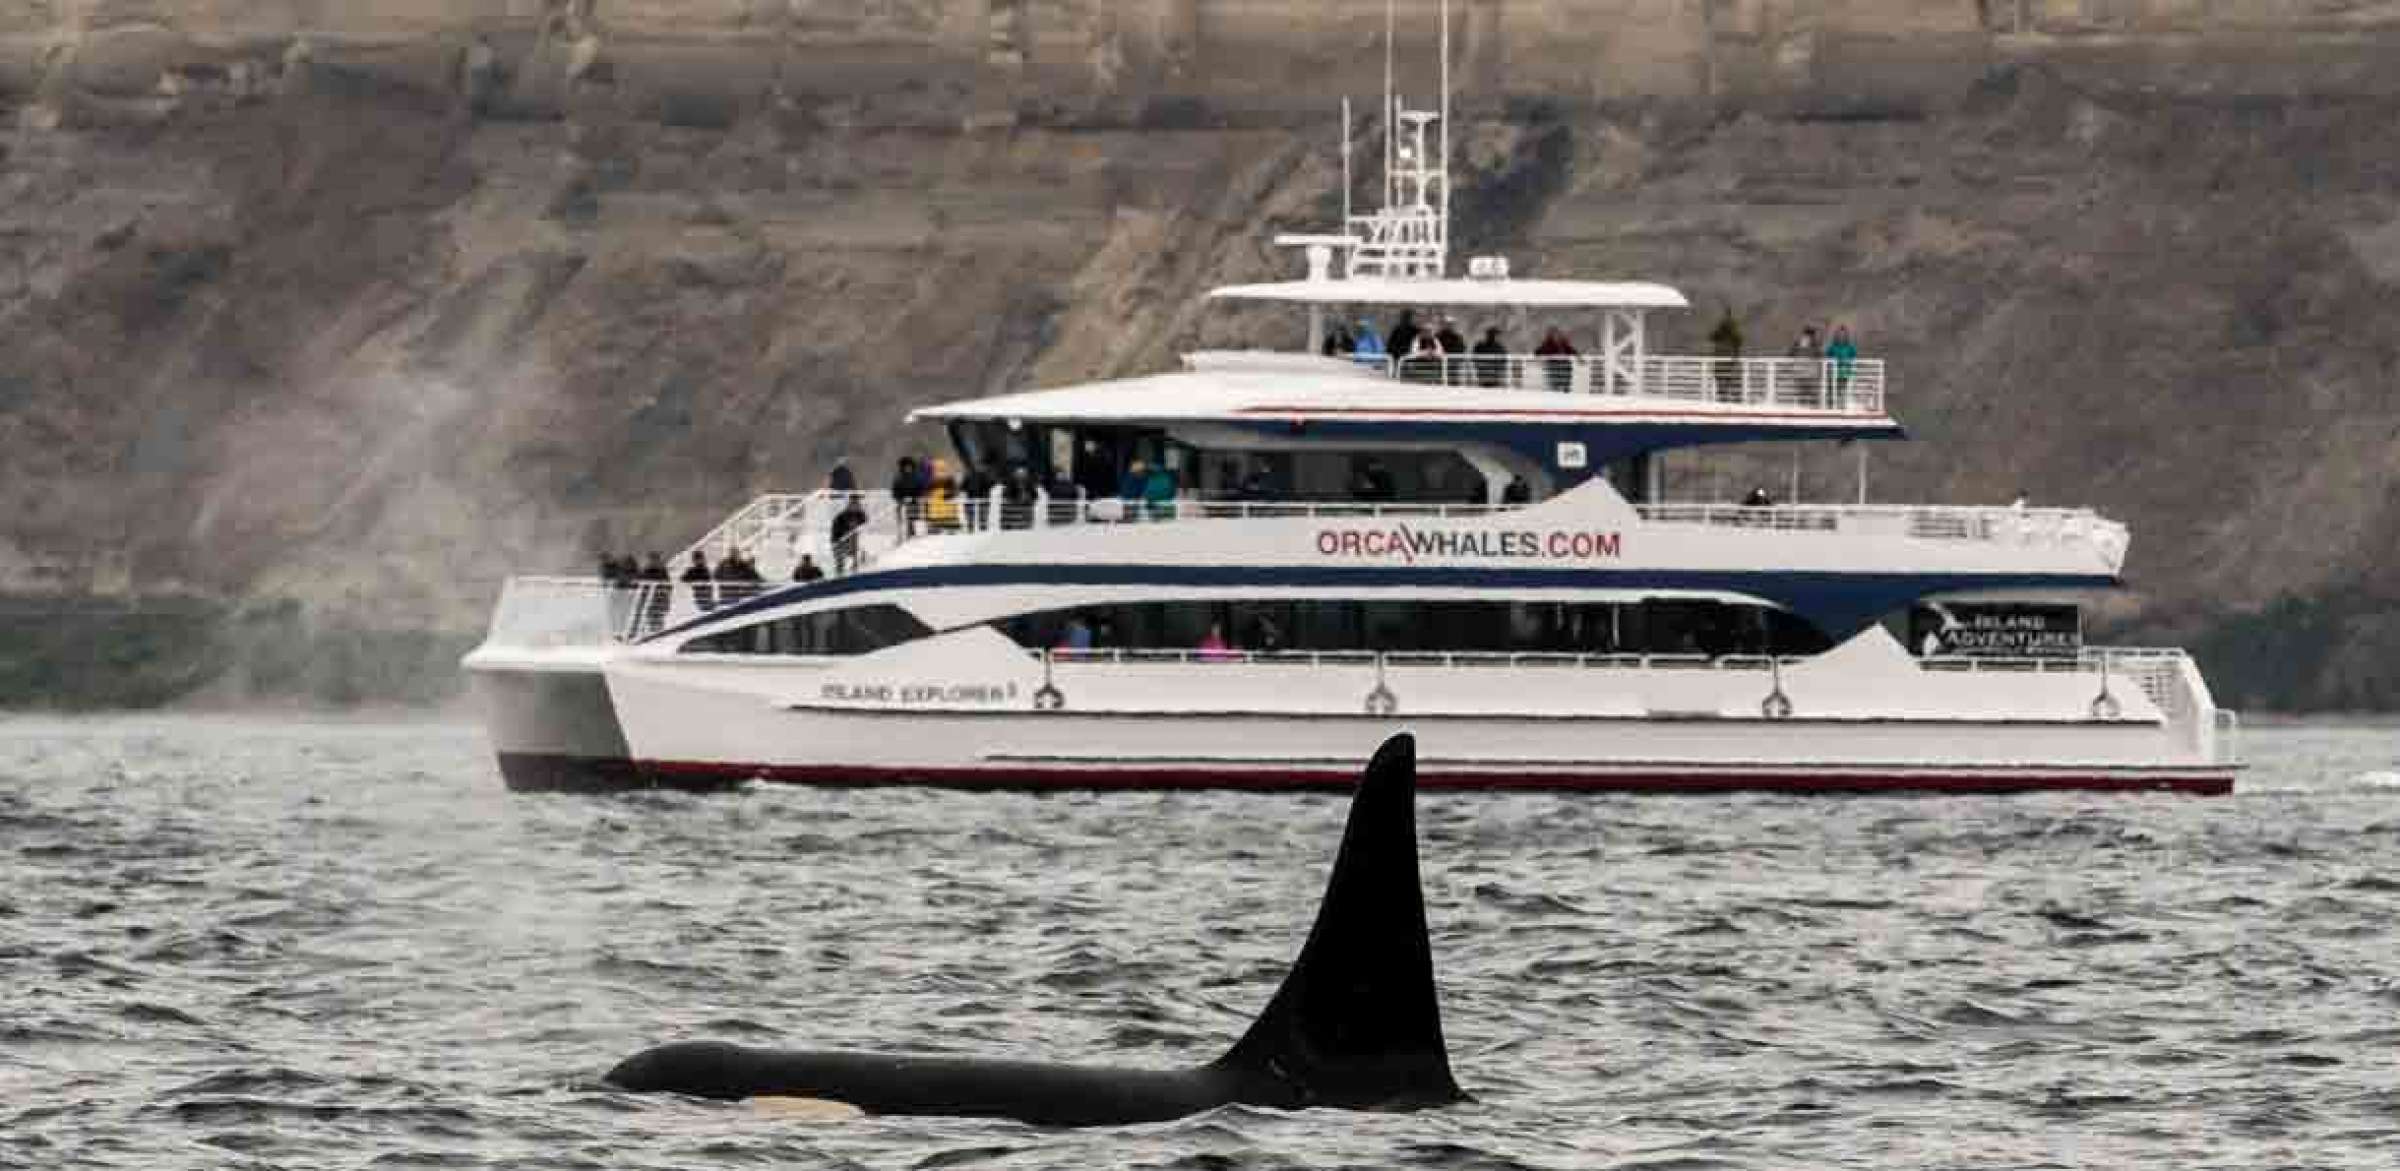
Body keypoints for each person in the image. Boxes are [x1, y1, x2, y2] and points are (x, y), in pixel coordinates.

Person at [1708, 307, 1744, 401]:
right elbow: (1738, 341)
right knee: (1727, 378)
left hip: (1724, 359)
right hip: (1727, 359)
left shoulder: (1724, 334)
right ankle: (1729, 396)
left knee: (1724, 378)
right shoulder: (1730, 334)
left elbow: (1712, 337)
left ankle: (1725, 396)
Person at [830, 493, 868, 575]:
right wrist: (839, 539)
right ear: (850, 505)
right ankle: (840, 572)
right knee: (840, 560)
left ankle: (855, 569)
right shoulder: (842, 516)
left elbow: (864, 520)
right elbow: (836, 529)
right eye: (854, 504)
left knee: (855, 553)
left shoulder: (859, 514)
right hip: (839, 539)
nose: (856, 506)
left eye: (857, 504)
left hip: (851, 539)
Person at [1534, 326, 1577, 393]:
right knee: (1555, 383)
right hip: (1553, 366)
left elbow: (1571, 350)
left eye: (1557, 333)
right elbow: (1539, 351)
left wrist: (1578, 356)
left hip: (1564, 366)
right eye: (1553, 333)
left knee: (1565, 381)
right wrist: (1538, 356)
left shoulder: (1563, 342)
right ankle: (1556, 391)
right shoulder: (1548, 343)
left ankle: (1565, 391)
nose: (1556, 335)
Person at [1825, 324, 1859, 405]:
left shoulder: (1850, 348)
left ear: (1846, 336)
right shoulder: (1832, 347)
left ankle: (1842, 403)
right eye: (1839, 334)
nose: (1841, 336)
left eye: (1843, 334)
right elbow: (1827, 359)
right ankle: (1832, 403)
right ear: (1836, 335)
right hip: (1834, 373)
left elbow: (1853, 359)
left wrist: (1847, 364)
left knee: (1843, 389)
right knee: (1833, 389)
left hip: (1845, 372)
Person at [890, 456, 925, 534]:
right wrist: (900, 498)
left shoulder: (917, 476)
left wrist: (915, 497)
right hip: (902, 500)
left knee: (912, 515)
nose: (907, 468)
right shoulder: (899, 477)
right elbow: (895, 490)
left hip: (914, 501)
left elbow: (921, 488)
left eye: (909, 466)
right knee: (901, 515)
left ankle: (912, 530)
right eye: (905, 466)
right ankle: (901, 532)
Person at [924, 459, 960, 532]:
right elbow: (954, 489)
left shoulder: (932, 478)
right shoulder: (933, 478)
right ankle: (941, 526)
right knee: (944, 514)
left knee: (945, 514)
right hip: (938, 502)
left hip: (940, 502)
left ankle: (940, 527)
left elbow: (954, 489)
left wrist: (949, 493)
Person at [962, 461, 996, 532]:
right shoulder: (985, 475)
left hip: (976, 497)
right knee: (978, 514)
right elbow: (991, 484)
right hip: (977, 497)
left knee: (978, 514)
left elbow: (963, 486)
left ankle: (975, 527)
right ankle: (977, 527)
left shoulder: (970, 475)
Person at [1433, 317, 1468, 385]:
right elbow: (1435, 347)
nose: (1449, 326)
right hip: (1440, 364)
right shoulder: (1437, 336)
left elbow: (1462, 349)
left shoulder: (1458, 337)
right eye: (1447, 324)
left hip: (1454, 365)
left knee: (1454, 383)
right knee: (1439, 382)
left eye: (1450, 324)